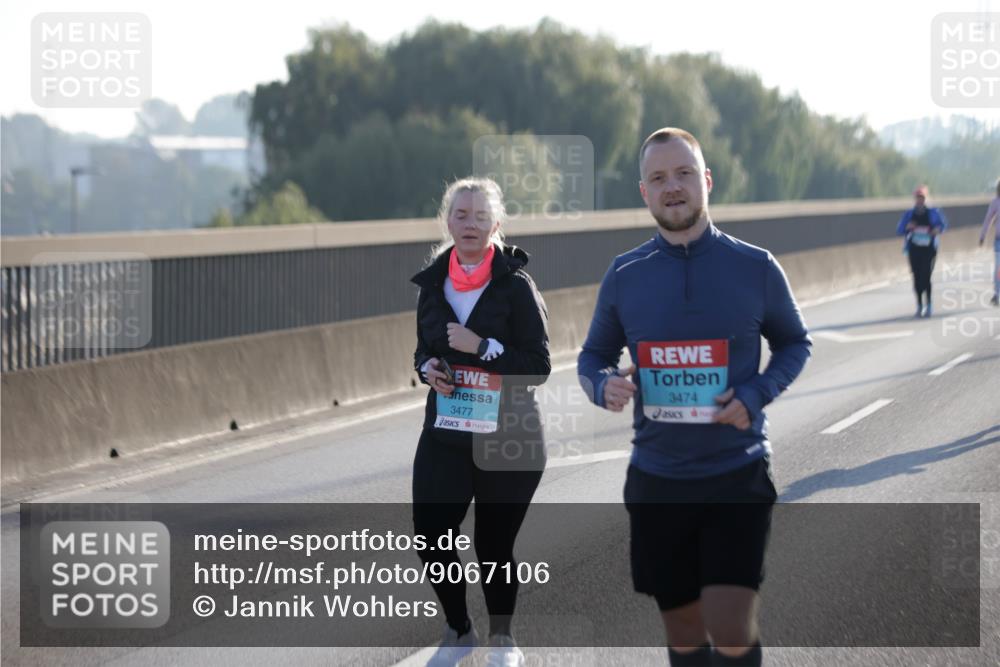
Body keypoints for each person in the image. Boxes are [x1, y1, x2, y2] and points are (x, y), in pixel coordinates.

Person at [577, 127, 812, 667]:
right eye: (658, 178)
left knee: (730, 626)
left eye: (683, 173)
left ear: (706, 181)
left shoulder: (755, 266)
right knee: (683, 632)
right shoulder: (625, 273)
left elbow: (795, 342)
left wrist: (755, 393)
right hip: (657, 480)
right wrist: (602, 384)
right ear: (644, 192)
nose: (673, 186)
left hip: (737, 472)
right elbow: (592, 357)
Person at [411, 177, 550, 667]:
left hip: (507, 438)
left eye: (480, 216)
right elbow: (423, 350)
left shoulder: (515, 286)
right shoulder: (432, 284)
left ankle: (504, 641)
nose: (470, 223)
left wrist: (483, 348)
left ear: (497, 224)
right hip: (447, 434)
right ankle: (458, 629)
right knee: (430, 534)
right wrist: (427, 369)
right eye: (461, 214)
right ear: (447, 221)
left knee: (493, 545)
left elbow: (538, 365)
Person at [896, 185, 948, 317]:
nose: (920, 200)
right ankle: (919, 305)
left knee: (926, 277)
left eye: (922, 197)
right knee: (917, 277)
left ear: (926, 198)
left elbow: (943, 225)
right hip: (914, 248)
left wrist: (937, 229)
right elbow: (899, 230)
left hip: (929, 248)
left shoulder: (934, 212)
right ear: (915, 199)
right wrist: (908, 226)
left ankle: (929, 305)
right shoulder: (909, 214)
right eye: (918, 198)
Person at [977, 178, 1000, 306]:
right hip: (999, 240)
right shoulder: (995, 202)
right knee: (998, 268)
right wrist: (982, 236)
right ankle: (997, 294)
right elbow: (988, 220)